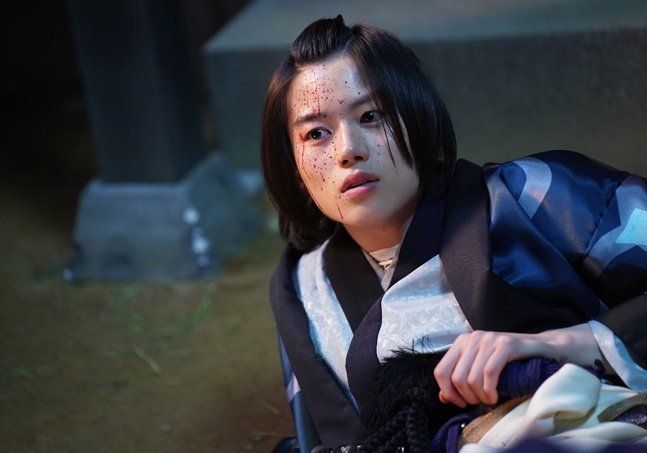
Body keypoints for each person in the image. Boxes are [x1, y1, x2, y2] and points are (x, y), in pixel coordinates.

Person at [261, 15, 647, 452]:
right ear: (294, 170)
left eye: (370, 116)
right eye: (316, 133)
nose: (349, 149)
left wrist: (558, 345)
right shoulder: (302, 291)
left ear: (418, 118)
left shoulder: (540, 194)